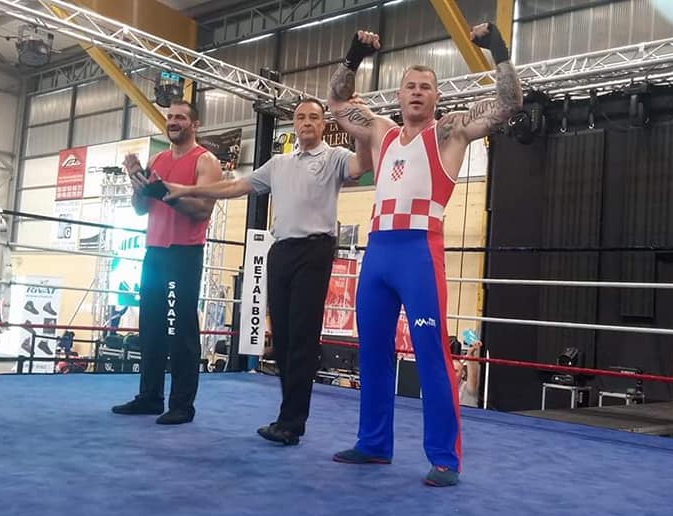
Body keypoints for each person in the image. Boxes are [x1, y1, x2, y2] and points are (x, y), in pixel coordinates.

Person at [326, 24, 522, 486]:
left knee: (431, 353)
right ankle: (373, 443)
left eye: (426, 87)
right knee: (372, 351)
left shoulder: (450, 132)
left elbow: (509, 103)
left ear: (437, 96)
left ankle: (444, 458)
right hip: (378, 252)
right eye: (410, 86)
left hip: (418, 251)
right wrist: (352, 56)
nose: (417, 92)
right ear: (399, 95)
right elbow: (336, 102)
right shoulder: (380, 132)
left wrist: (498, 50)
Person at [163, 97, 373, 445]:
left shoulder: (334, 156)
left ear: (323, 124)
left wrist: (361, 129)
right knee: (283, 340)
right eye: (301, 117)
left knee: (302, 337)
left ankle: (292, 422)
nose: (307, 122)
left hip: (315, 250)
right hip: (281, 250)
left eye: (314, 117)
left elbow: (361, 165)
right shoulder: (279, 163)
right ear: (295, 124)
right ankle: (287, 416)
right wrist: (188, 189)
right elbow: (234, 186)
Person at [111, 99, 221, 425]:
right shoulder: (157, 159)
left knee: (180, 329)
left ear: (195, 124)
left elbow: (202, 209)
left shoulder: (205, 161)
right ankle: (150, 397)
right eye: (170, 117)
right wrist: (137, 181)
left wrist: (162, 192)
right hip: (154, 251)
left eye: (181, 117)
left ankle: (182, 405)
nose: (173, 121)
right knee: (151, 328)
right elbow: (140, 209)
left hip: (183, 252)